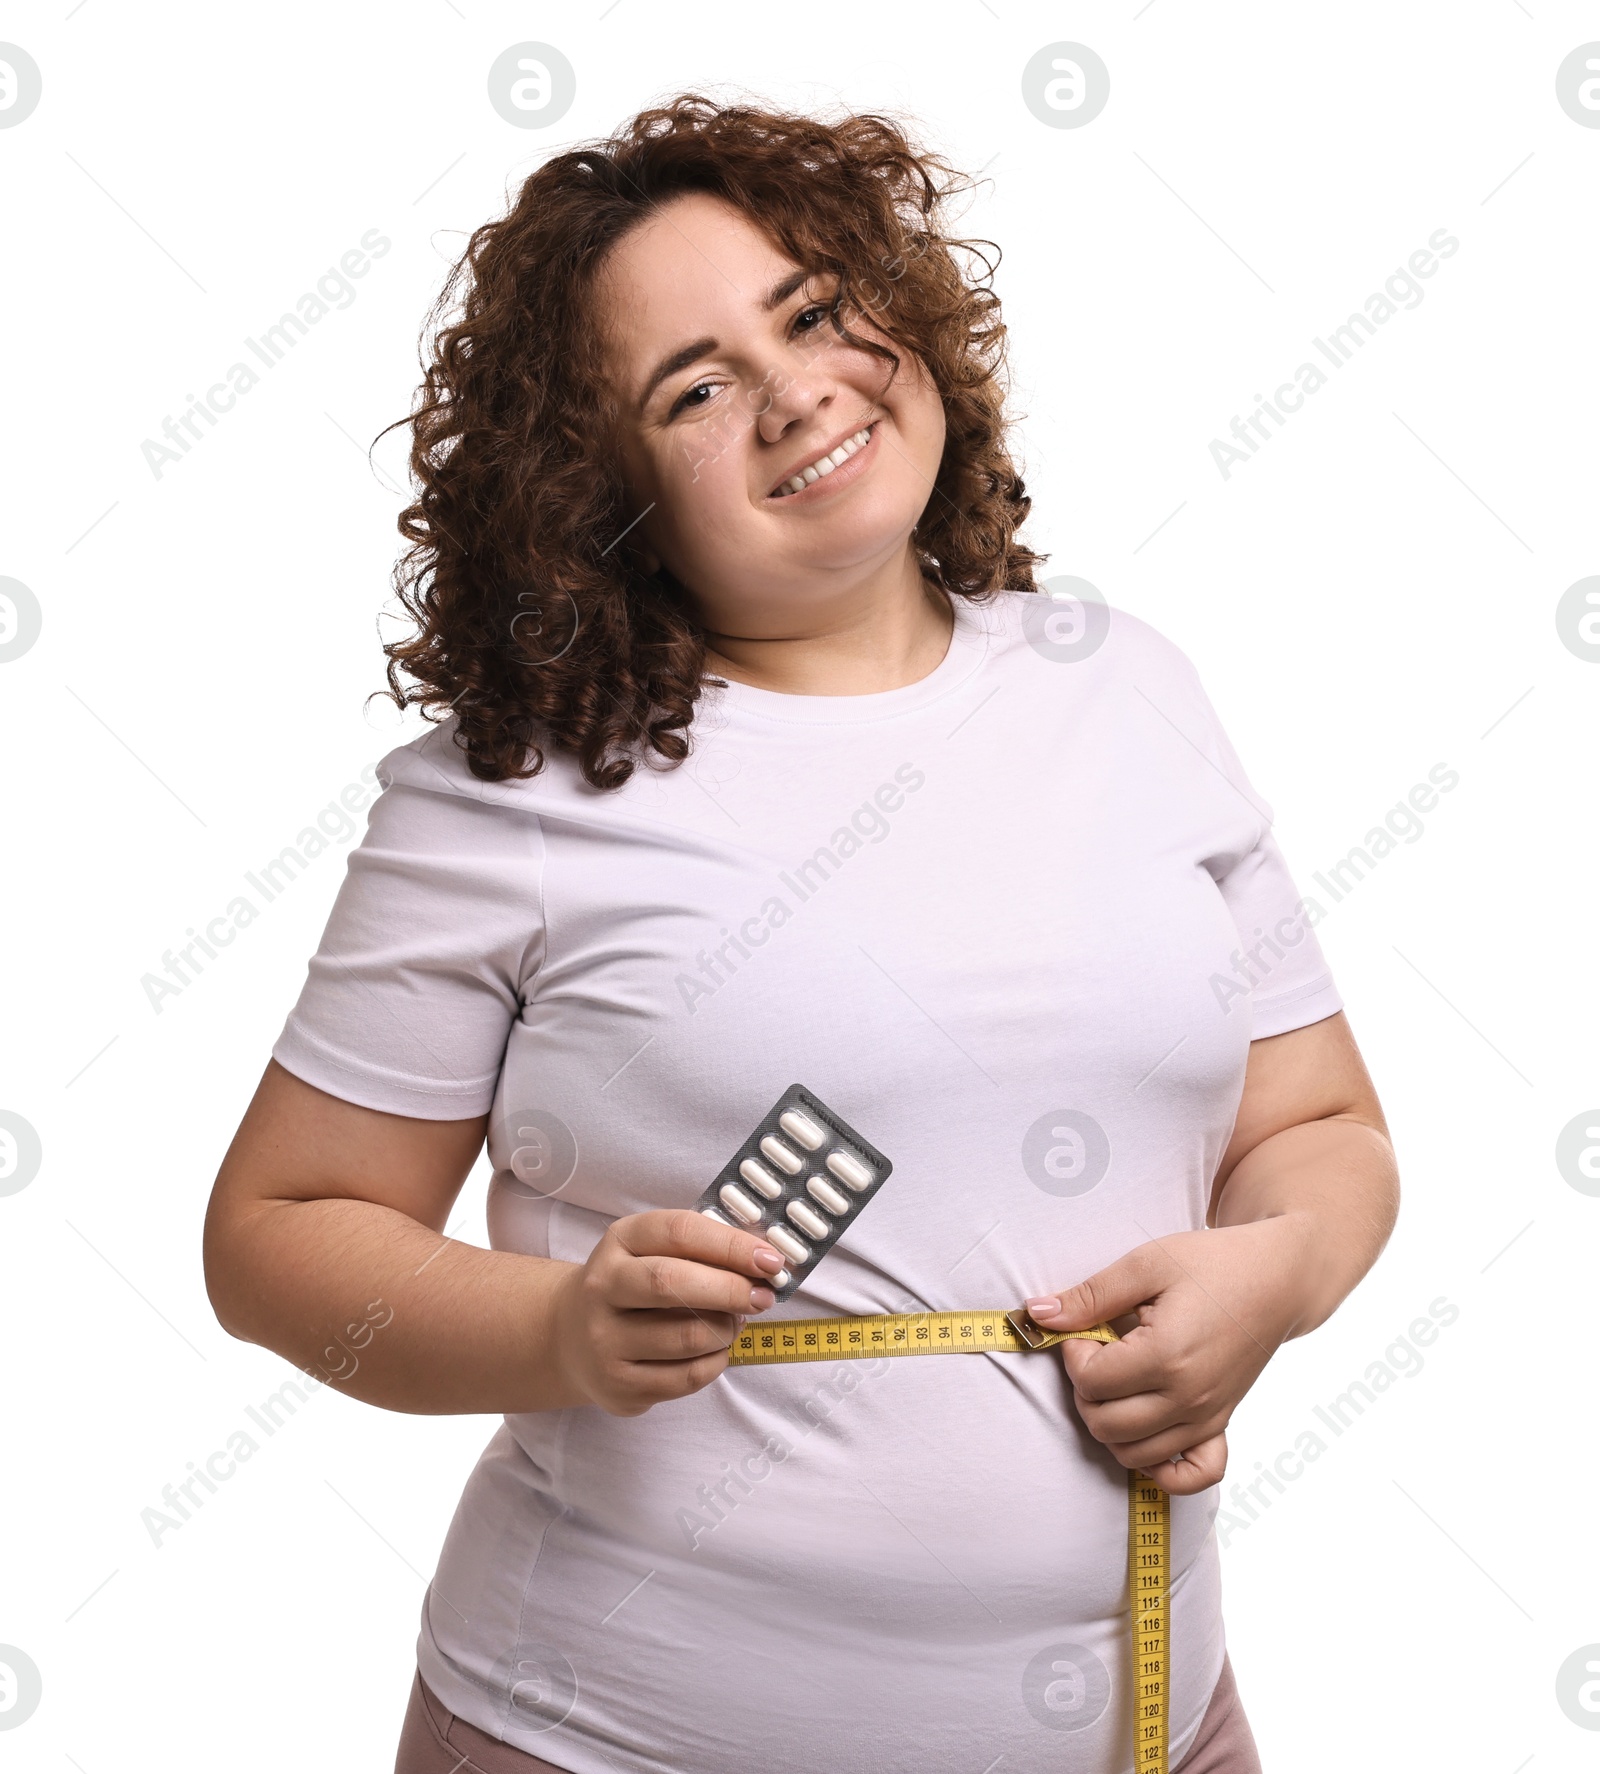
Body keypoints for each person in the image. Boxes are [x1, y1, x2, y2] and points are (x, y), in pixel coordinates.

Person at [202, 94, 1400, 1774]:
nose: (795, 393)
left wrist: (1272, 1275)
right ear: (597, 487)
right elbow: (274, 1232)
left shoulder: (1125, 685)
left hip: (1151, 1726)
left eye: (816, 312)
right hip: (609, 1738)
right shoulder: (512, 798)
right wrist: (555, 1333)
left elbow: (1323, 1125)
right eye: (693, 386)